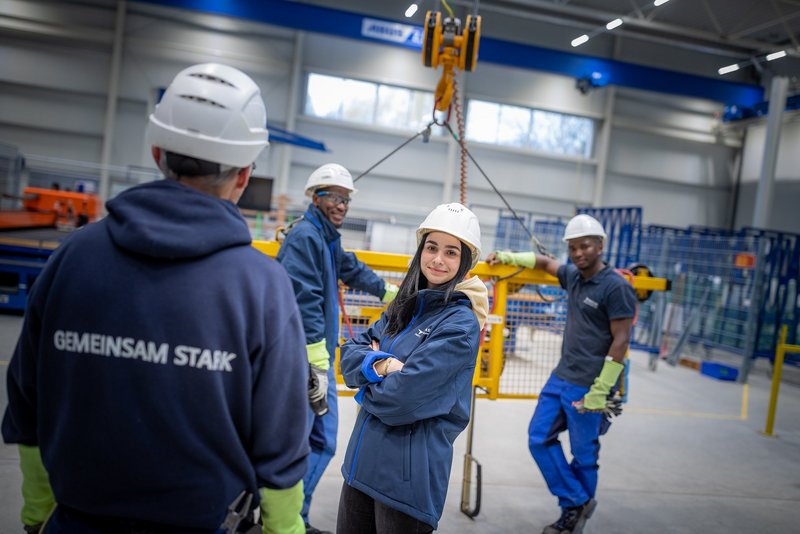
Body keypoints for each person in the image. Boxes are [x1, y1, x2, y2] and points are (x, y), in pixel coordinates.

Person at [2, 63, 309, 534]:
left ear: (156, 151)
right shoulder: (262, 287)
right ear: (245, 174)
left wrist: (38, 514)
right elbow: (282, 442)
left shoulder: (72, 260)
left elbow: (26, 404)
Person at [336, 202, 489, 533]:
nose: (437, 259)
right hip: (360, 466)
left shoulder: (459, 324)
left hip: (407, 483)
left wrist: (364, 386)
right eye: (432, 247)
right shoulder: (404, 306)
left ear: (465, 261)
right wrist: (385, 365)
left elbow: (402, 400)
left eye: (451, 252)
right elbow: (347, 354)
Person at [486, 214, 637, 534]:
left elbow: (622, 339)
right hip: (560, 378)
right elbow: (544, 263)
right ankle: (577, 500)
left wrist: (602, 388)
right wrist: (509, 256)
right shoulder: (574, 276)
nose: (579, 253)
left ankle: (572, 517)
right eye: (573, 248)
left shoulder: (616, 287)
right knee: (538, 438)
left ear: (600, 245)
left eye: (585, 246)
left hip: (589, 385)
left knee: (584, 455)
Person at [275, 163, 399, 534]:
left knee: (310, 440)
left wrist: (390, 293)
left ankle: (296, 516)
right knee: (319, 440)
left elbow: (352, 268)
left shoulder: (325, 237)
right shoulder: (306, 238)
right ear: (316, 198)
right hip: (303, 358)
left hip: (313, 355)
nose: (342, 205)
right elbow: (305, 299)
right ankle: (286, 519)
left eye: (346, 199)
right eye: (335, 197)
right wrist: (316, 359)